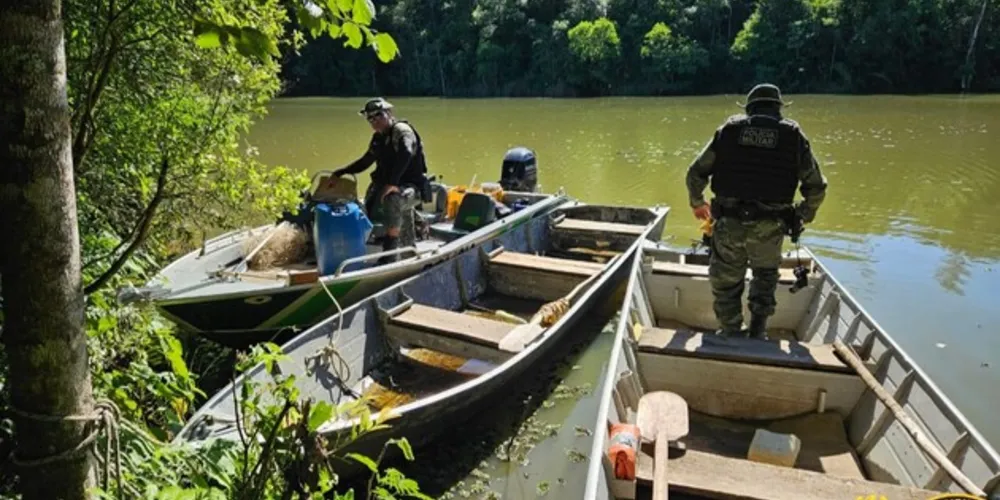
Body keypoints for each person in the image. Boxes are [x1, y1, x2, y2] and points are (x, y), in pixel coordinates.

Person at [686, 83, 828, 340]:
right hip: (770, 227)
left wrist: (697, 202)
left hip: (729, 224)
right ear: (778, 109)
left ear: (749, 108)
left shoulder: (728, 131)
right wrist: (802, 215)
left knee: (726, 283)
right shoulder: (793, 137)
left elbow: (695, 172)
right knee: (764, 279)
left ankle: (730, 332)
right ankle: (758, 331)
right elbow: (816, 186)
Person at [334, 98, 429, 264]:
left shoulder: (402, 130)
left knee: (393, 199)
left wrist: (393, 183)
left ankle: (389, 256)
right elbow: (366, 161)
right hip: (391, 185)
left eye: (378, 116)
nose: (374, 121)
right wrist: (341, 172)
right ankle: (407, 232)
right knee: (368, 204)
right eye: (370, 118)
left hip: (412, 187)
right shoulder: (378, 138)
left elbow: (406, 152)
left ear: (389, 113)